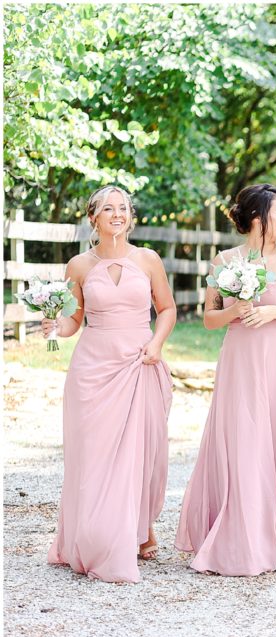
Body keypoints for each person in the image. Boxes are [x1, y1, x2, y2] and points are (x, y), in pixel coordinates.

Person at [175, 183, 276, 576]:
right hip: (243, 361)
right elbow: (210, 318)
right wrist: (238, 307)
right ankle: (247, 540)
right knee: (246, 440)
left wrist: (275, 314)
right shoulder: (224, 261)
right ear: (256, 216)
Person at [46, 185, 175, 583]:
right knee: (96, 454)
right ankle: (97, 536)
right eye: (108, 208)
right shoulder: (79, 266)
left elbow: (167, 308)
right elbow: (73, 319)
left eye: (123, 208)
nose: (117, 214)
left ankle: (139, 527)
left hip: (139, 362)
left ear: (130, 216)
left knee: (142, 451)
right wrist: (56, 325)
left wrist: (156, 343)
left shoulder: (149, 259)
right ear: (93, 218)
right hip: (93, 369)